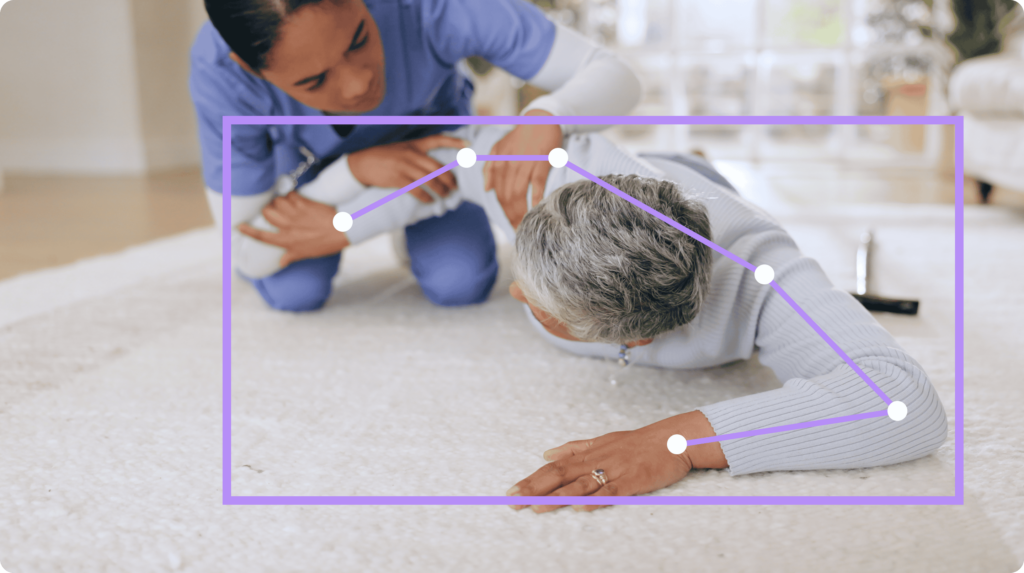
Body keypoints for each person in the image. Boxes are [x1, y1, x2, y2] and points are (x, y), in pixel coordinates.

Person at [239, 125, 949, 510]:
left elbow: (902, 405)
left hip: (711, 194)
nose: (514, 296)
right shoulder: (541, 176)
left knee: (705, 176)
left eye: (543, 306)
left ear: (638, 338)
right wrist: (333, 217)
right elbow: (433, 159)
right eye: (524, 273)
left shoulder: (765, 273)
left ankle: (697, 160)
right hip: (626, 159)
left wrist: (677, 440)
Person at [190, 0, 642, 310]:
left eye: (358, 40)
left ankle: (409, 229)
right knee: (294, 292)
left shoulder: (434, 8)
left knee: (460, 282)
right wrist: (355, 170)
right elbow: (245, 245)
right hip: (313, 179)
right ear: (248, 68)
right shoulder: (221, 75)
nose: (357, 85)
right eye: (314, 81)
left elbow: (616, 76)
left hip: (432, 146)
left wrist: (546, 116)